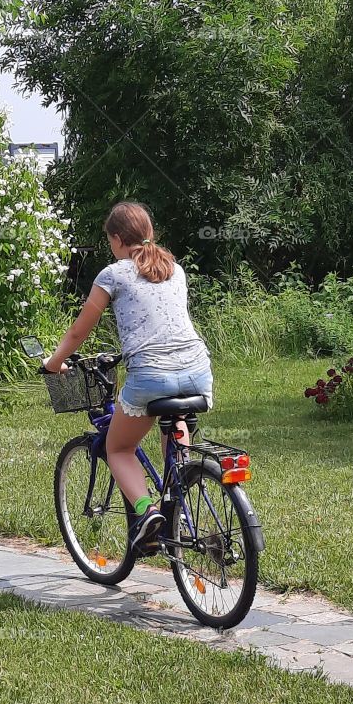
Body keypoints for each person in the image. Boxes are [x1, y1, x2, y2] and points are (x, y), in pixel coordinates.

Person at [43, 202, 213, 548]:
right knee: (174, 419)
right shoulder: (174, 269)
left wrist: (54, 362)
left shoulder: (113, 273)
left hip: (151, 374)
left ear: (118, 239)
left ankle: (146, 511)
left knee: (117, 447)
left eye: (110, 241)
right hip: (198, 370)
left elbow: (79, 331)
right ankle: (176, 498)